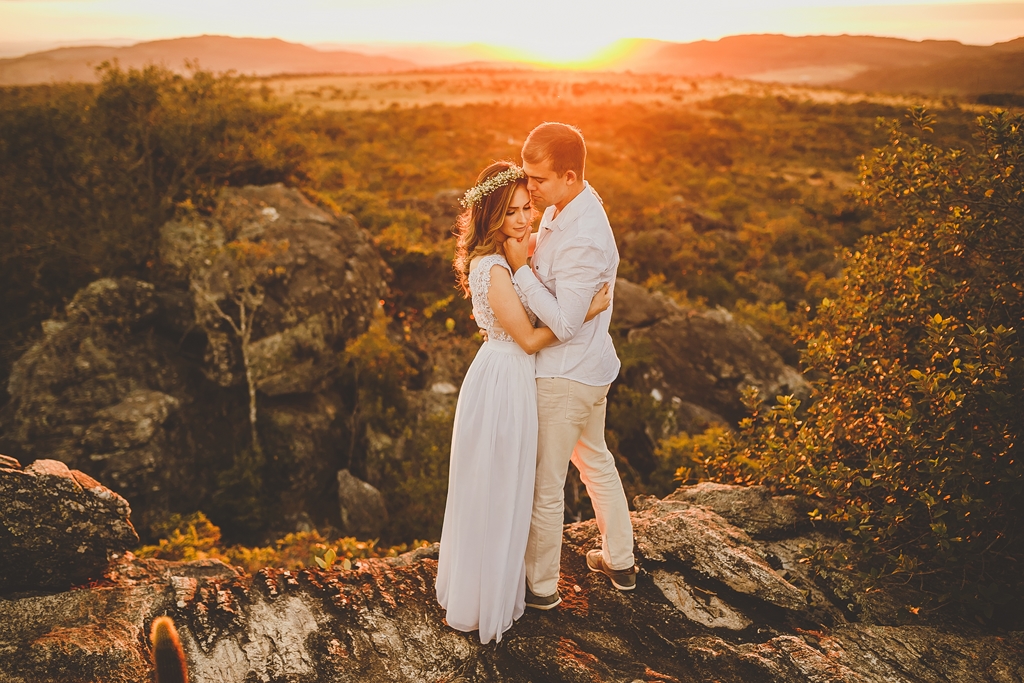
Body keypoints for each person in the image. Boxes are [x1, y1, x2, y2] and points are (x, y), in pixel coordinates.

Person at [435, 160, 611, 644]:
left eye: (527, 207)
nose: (524, 218)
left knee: (509, 482)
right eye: (512, 211)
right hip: (505, 377)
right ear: (492, 215)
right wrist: (585, 312)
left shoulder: (514, 250)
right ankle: (482, 596)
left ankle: (500, 582)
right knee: (496, 483)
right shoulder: (491, 267)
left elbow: (563, 240)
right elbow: (531, 339)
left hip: (513, 375)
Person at [503, 122, 636, 610]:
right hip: (588, 367)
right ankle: (620, 560)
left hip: (566, 374)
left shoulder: (585, 236)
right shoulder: (570, 203)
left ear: (570, 175)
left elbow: (561, 322)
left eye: (537, 180)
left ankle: (541, 589)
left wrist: (519, 268)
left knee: (547, 483)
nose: (530, 188)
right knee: (596, 460)